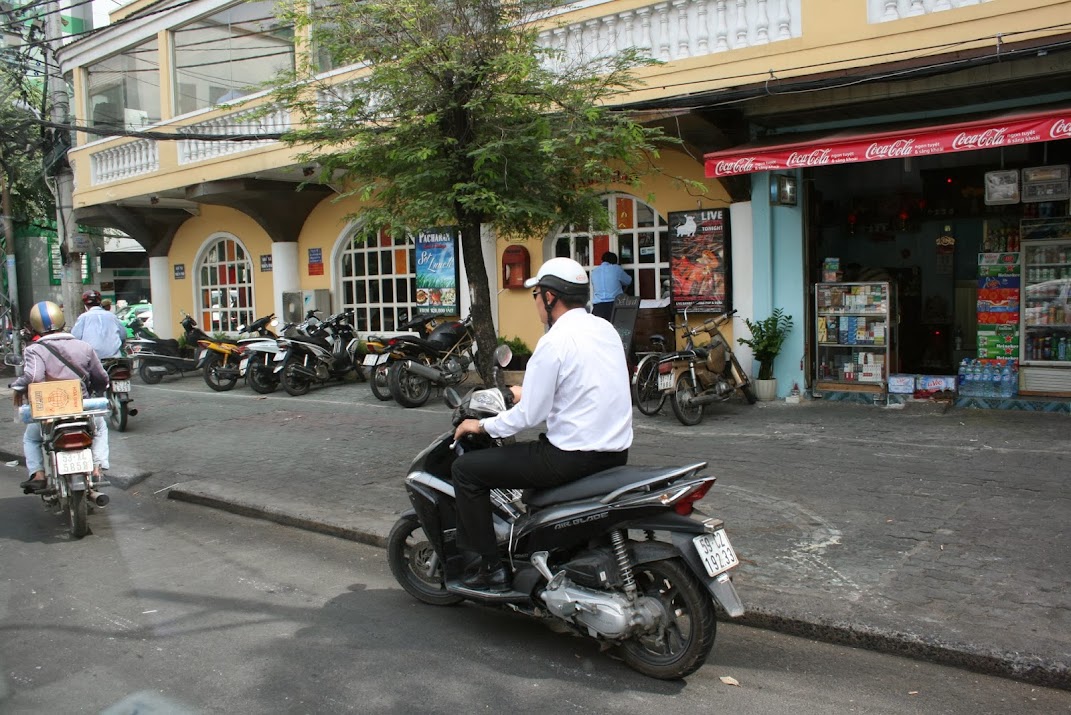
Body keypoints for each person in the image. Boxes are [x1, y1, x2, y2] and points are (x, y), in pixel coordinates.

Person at [451, 257, 633, 592]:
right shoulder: (604, 329)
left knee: (467, 470)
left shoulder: (554, 341)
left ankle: (490, 569)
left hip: (569, 458)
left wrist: (481, 427)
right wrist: (525, 391)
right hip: (615, 453)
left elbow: (528, 417)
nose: (535, 301)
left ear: (550, 297)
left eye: (536, 294)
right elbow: (585, 381)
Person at [11, 301, 110, 493]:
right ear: (62, 321)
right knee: (100, 428)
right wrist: (98, 390)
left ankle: (38, 474)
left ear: (35, 325)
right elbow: (101, 378)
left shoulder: (34, 349)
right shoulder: (84, 347)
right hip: (80, 408)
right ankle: (97, 469)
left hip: (50, 411)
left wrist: (18, 387)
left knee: (31, 438)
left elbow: (34, 377)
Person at [72, 290, 126, 360]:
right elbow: (123, 335)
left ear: (85, 305)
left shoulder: (83, 317)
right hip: (114, 359)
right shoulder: (112, 316)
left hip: (92, 359)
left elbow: (75, 338)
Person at [590, 251, 633, 320]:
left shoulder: (594, 271)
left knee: (600, 329)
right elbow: (628, 281)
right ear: (615, 262)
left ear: (602, 261)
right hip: (614, 305)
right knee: (615, 329)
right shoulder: (616, 269)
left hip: (598, 307)